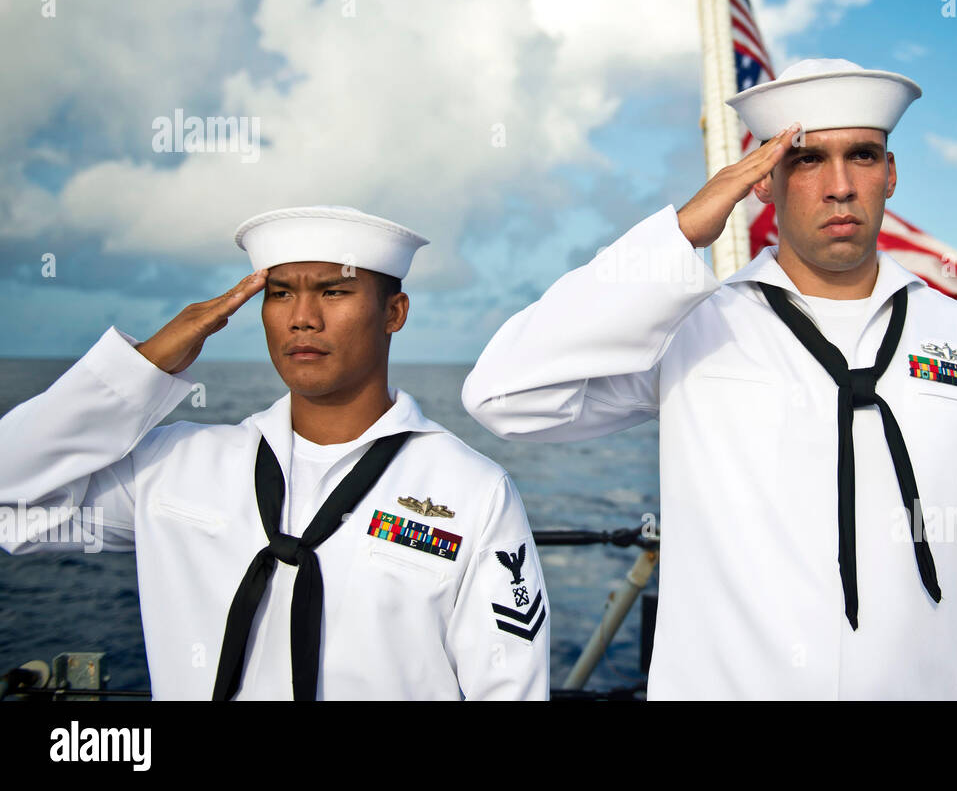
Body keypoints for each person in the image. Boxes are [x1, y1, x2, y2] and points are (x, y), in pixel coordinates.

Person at [463, 59, 957, 700]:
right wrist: (681, 235)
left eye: (863, 156)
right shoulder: (690, 331)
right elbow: (503, 396)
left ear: (891, 174)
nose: (840, 186)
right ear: (761, 180)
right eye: (808, 160)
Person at [0, 205, 548, 700]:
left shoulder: (470, 492)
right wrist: (139, 369)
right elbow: (11, 504)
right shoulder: (176, 466)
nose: (302, 317)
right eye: (281, 293)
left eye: (334, 292)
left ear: (394, 312)